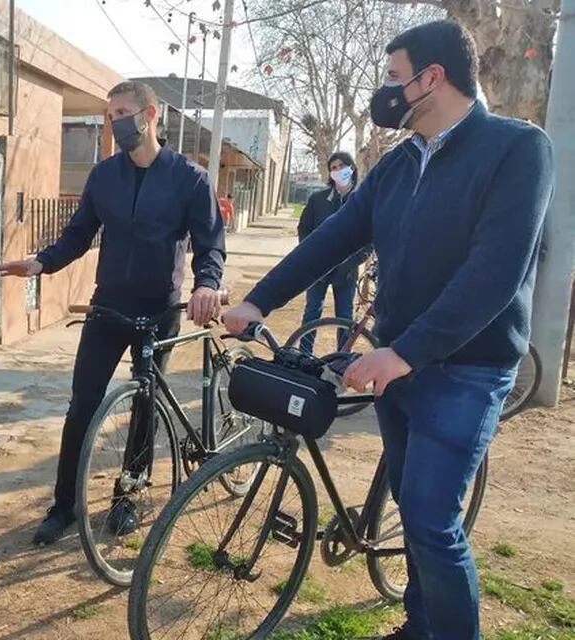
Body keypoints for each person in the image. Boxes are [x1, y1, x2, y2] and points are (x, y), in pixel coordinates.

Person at [223, 20, 553, 640]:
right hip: (398, 362)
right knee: (409, 497)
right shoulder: (399, 164)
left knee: (430, 519)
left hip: (468, 366)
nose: (387, 91)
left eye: (394, 77)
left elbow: (495, 274)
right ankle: (419, 625)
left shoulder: (518, 148)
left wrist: (403, 352)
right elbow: (332, 239)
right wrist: (259, 301)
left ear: (433, 78)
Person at [0, 81, 226, 546]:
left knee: (145, 405)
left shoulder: (190, 178)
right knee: (82, 405)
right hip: (109, 307)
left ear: (150, 114)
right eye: (109, 114)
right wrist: (42, 262)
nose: (115, 121)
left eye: (123, 111)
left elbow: (209, 245)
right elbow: (79, 234)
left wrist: (207, 284)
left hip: (159, 309)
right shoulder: (104, 176)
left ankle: (128, 496)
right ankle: (64, 506)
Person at [296, 152, 364, 353]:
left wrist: (350, 264)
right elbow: (304, 229)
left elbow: (370, 239)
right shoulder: (318, 199)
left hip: (347, 272)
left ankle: (341, 359)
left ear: (351, 168)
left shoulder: (362, 200)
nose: (337, 171)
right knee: (311, 314)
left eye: (341, 166)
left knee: (344, 317)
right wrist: (311, 255)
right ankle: (304, 355)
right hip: (318, 271)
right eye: (333, 168)